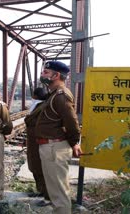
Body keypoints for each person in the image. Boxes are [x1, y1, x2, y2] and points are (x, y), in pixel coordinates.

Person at [35, 61, 82, 214]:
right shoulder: (53, 95)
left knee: (59, 192)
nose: (43, 75)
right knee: (55, 190)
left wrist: (75, 142)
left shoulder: (61, 96)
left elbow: (71, 121)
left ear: (56, 75)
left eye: (46, 72)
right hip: (50, 147)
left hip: (55, 148)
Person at [24, 87, 51, 206]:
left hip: (39, 142)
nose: (32, 98)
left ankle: (48, 196)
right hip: (33, 142)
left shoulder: (43, 107)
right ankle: (41, 191)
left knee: (41, 169)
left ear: (36, 96)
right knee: (35, 167)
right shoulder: (37, 106)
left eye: (33, 96)